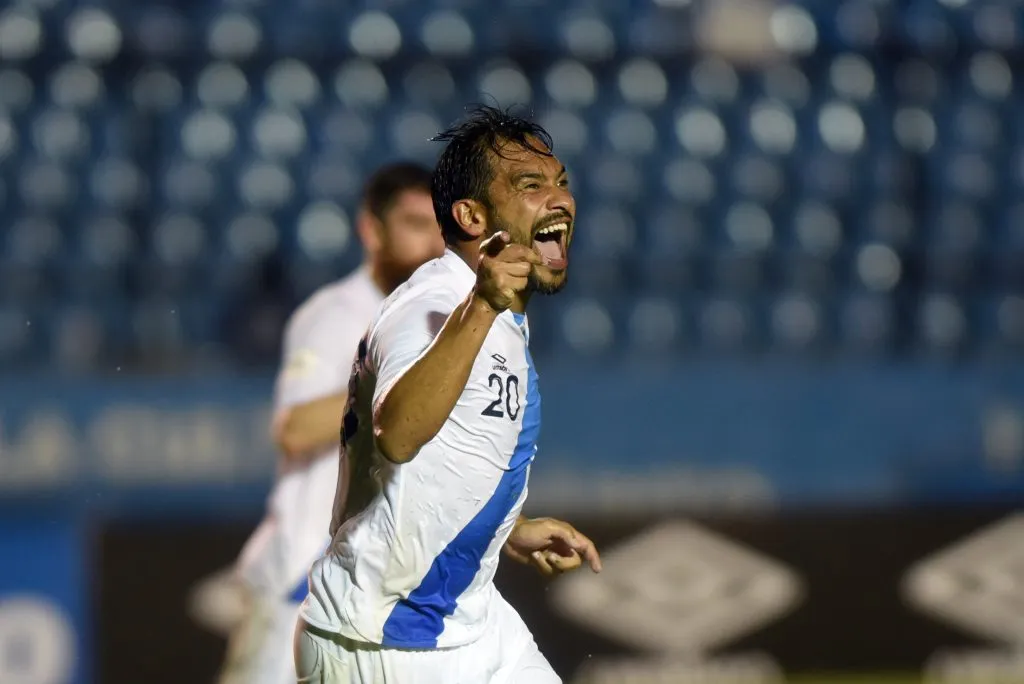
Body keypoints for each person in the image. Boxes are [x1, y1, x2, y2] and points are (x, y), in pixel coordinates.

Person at [293, 105, 602, 684]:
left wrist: (510, 525)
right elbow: (399, 433)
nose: (559, 200)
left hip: (471, 619)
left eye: (561, 183)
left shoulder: (496, 304)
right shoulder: (433, 305)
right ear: (471, 215)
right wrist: (482, 306)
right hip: (385, 643)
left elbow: (448, 452)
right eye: (531, 186)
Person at [213, 161, 445, 684]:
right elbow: (296, 428)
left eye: (438, 226)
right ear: (371, 230)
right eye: (413, 224)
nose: (431, 242)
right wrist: (392, 380)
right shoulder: (337, 314)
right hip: (304, 582)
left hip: (387, 585)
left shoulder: (442, 320)